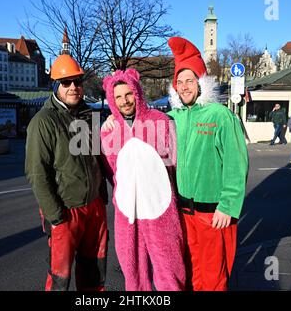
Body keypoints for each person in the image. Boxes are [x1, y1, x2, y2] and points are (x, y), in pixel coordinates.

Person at [167, 37, 249, 291]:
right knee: (190, 275)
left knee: (214, 279)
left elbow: (236, 164)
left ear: (201, 82)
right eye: (179, 82)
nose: (184, 87)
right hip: (182, 214)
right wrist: (115, 121)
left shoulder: (221, 116)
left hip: (213, 215)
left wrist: (228, 206)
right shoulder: (171, 118)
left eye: (189, 80)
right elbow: (139, 129)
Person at [25, 53, 108, 291]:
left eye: (77, 82)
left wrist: (101, 198)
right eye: (66, 82)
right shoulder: (43, 122)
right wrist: (55, 217)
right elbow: (37, 174)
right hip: (65, 211)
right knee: (60, 279)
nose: (73, 87)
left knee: (94, 272)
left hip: (94, 209)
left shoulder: (88, 115)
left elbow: (96, 160)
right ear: (56, 85)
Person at [101, 69, 186, 291]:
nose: (124, 101)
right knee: (132, 269)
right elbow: (112, 172)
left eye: (128, 94)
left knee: (169, 265)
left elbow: (175, 162)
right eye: (118, 97)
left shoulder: (161, 122)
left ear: (137, 92)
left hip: (161, 208)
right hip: (128, 212)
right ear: (112, 100)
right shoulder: (109, 131)